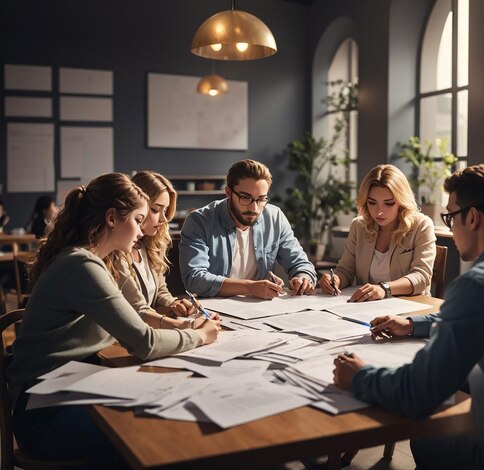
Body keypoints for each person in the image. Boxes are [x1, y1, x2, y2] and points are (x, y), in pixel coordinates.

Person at [333, 163, 484, 470]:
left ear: (473, 217)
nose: (450, 227)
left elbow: (419, 393)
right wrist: (414, 324)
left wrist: (360, 376)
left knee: (427, 436)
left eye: (450, 216)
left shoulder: (479, 283)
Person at [6, 173, 220, 468]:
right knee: (150, 427)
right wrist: (201, 335)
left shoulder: (89, 259)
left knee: (159, 407)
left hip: (61, 388)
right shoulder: (82, 266)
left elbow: (132, 324)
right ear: (111, 218)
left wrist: (178, 326)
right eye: (138, 219)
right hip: (42, 414)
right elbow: (143, 342)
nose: (143, 231)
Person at [179, 159, 317, 299]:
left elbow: (299, 263)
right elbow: (194, 279)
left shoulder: (275, 218)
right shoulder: (199, 221)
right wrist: (250, 287)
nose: (254, 208)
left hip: (257, 308)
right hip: (214, 310)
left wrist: (302, 277)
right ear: (228, 192)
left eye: (261, 199)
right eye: (245, 198)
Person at [319, 164, 436, 302]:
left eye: (388, 203)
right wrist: (334, 280)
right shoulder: (359, 226)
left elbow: (421, 277)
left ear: (401, 201)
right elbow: (346, 271)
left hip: (410, 308)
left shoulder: (421, 225)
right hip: (367, 308)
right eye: (372, 203)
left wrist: (384, 288)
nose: (379, 211)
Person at [115, 171, 204, 330]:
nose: (163, 219)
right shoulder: (118, 250)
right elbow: (136, 309)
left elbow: (160, 291)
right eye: (156, 210)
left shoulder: (146, 245)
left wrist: (175, 304)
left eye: (166, 210)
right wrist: (185, 325)